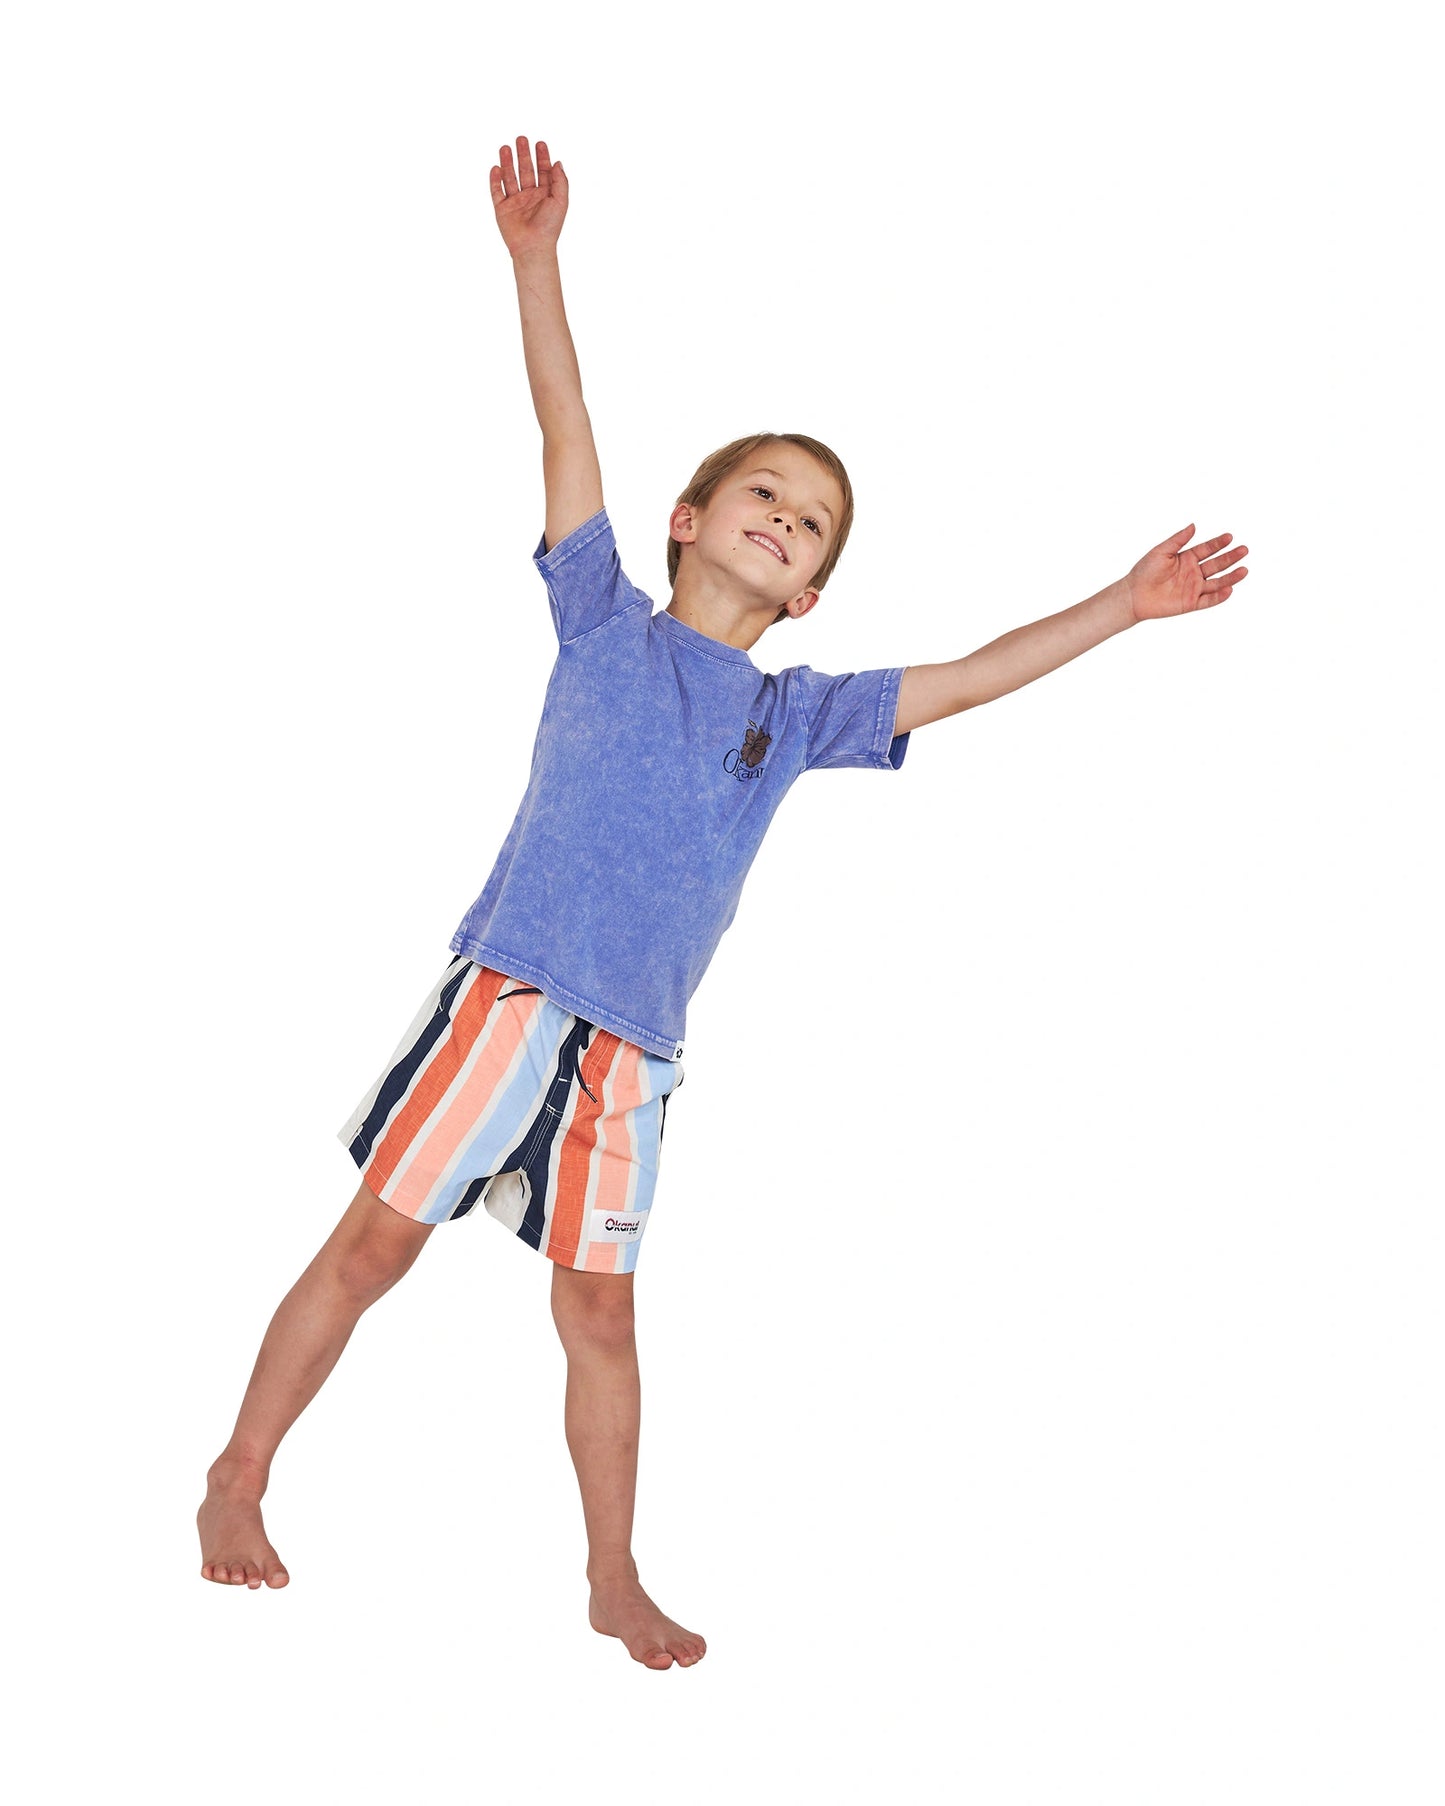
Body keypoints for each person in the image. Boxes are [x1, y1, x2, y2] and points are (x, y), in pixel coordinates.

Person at [196, 134, 1250, 1670]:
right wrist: (536, 261)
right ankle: (238, 1471)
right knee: (373, 1247)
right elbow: (566, 427)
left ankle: (611, 1572)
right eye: (761, 491)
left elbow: (970, 673)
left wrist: (1122, 605)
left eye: (812, 521)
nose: (784, 515)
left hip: (636, 1055)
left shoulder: (801, 712)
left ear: (811, 591)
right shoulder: (600, 624)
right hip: (511, 993)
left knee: (604, 1317)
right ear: (690, 522)